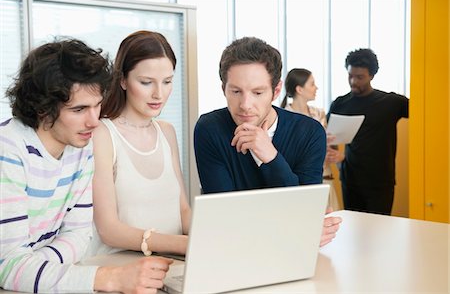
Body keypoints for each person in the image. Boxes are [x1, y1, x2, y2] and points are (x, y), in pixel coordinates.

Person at [0, 38, 172, 293]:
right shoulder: (9, 149)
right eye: (79, 109)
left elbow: (79, 236)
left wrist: (32, 267)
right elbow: (9, 267)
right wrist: (110, 279)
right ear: (43, 109)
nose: (94, 121)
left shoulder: (80, 147)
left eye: (97, 105)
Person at [194, 37, 342, 247]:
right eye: (235, 91)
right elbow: (224, 218)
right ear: (223, 89)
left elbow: (304, 211)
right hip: (234, 250)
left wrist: (270, 156)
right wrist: (297, 230)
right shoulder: (210, 129)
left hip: (295, 255)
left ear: (277, 90)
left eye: (258, 92)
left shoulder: (309, 132)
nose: (245, 105)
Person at [85, 30, 191, 258]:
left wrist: (210, 239)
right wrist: (183, 245)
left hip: (174, 262)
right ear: (123, 80)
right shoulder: (103, 134)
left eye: (167, 82)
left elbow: (183, 211)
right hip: (121, 266)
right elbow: (108, 230)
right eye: (146, 82)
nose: (159, 94)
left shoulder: (167, 132)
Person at [327, 48, 409, 215]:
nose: (353, 81)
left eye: (360, 77)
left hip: (380, 183)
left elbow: (426, 114)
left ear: (371, 75)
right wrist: (337, 161)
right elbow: (329, 138)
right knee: (354, 232)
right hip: (350, 181)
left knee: (380, 233)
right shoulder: (340, 104)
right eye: (350, 75)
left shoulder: (391, 103)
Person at [281, 68, 341, 210]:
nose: (316, 88)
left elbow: (328, 144)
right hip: (299, 180)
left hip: (326, 175)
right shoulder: (283, 117)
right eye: (312, 84)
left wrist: (331, 148)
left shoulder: (319, 113)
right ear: (299, 89)